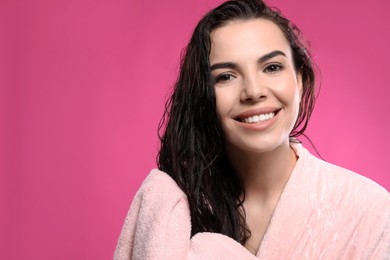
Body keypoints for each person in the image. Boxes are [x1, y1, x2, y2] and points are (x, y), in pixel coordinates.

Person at [114, 0, 390, 259]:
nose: (253, 92)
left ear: (301, 81)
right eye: (226, 76)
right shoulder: (170, 211)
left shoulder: (371, 211)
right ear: (203, 97)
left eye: (271, 67)